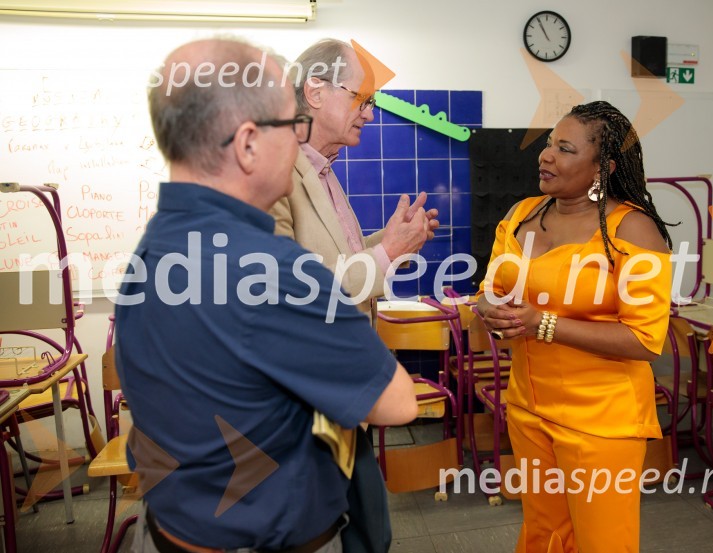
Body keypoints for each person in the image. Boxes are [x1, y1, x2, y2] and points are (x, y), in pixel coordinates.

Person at [115, 38, 417, 553]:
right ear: (250, 142)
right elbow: (398, 402)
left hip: (175, 528)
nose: (299, 138)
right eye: (289, 125)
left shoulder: (157, 244)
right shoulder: (269, 271)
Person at [476, 101, 673, 553]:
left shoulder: (635, 232)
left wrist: (543, 325)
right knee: (544, 534)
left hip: (601, 421)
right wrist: (488, 307)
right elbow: (490, 286)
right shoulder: (522, 213)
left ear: (603, 166)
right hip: (528, 405)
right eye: (548, 144)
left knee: (601, 541)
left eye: (564, 148)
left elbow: (645, 339)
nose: (545, 156)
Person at [270, 39, 438, 318]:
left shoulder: (323, 169)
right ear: (315, 93)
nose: (369, 115)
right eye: (360, 99)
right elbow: (290, 289)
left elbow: (338, 260)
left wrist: (397, 238)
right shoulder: (274, 174)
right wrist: (388, 251)